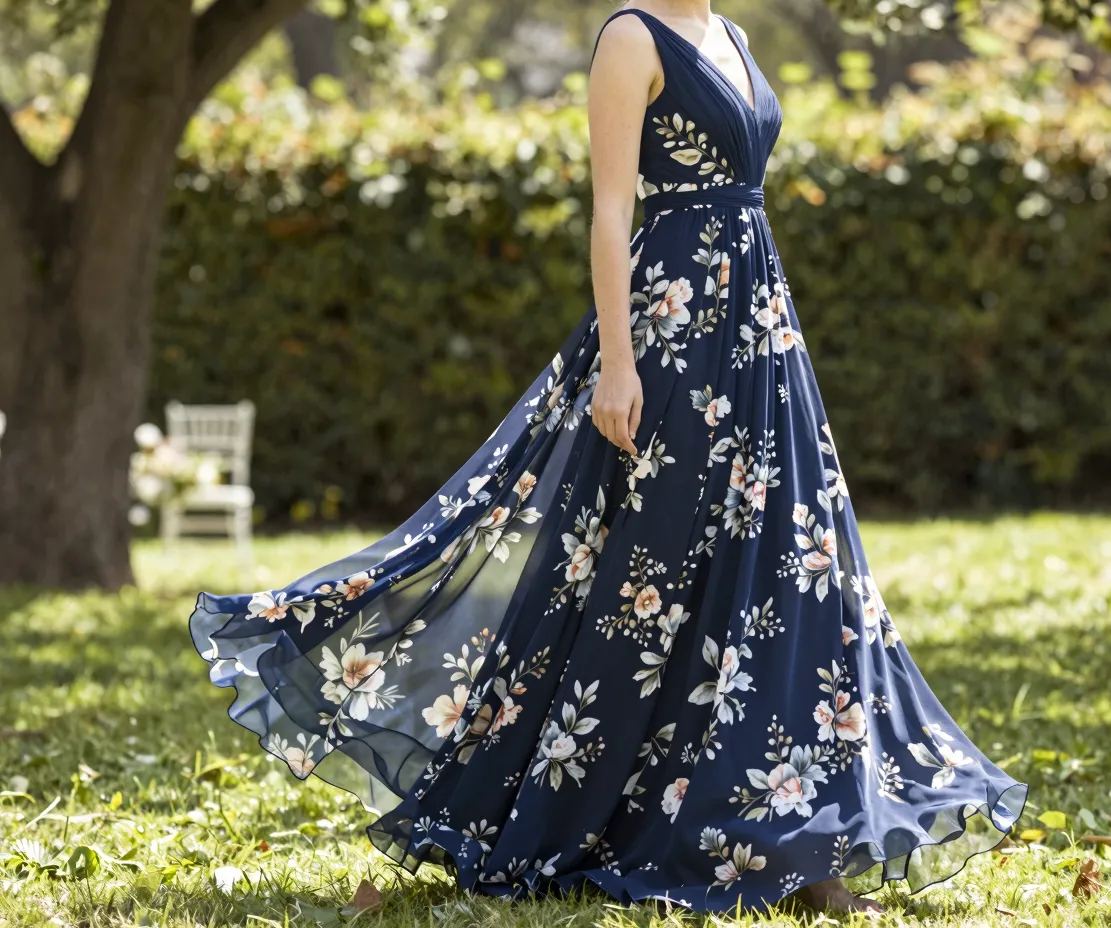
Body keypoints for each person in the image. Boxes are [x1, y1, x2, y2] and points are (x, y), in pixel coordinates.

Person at [189, 0, 1027, 915]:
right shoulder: (631, 38)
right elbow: (612, 209)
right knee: (648, 584)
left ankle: (794, 843)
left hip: (756, 334)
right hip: (671, 338)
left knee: (788, 576)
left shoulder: (733, 38)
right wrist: (619, 365)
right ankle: (599, 816)